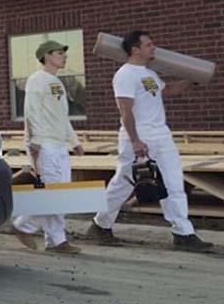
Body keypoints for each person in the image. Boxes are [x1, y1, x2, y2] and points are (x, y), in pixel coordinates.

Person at [85, 30, 213, 251]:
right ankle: (100, 224)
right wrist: (135, 141)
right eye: (149, 45)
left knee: (174, 183)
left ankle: (183, 233)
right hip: (137, 136)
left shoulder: (149, 74)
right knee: (123, 183)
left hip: (161, 136)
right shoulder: (125, 75)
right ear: (135, 49)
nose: (154, 48)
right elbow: (125, 110)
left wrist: (191, 79)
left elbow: (168, 90)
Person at [13, 39, 85, 254]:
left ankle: (52, 241)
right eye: (58, 52)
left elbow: (62, 117)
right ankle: (26, 226)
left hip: (59, 144)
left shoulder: (57, 83)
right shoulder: (36, 80)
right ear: (46, 56)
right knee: (53, 192)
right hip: (43, 143)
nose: (63, 56)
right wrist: (34, 141)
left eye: (63, 53)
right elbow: (31, 111)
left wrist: (75, 142)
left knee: (60, 193)